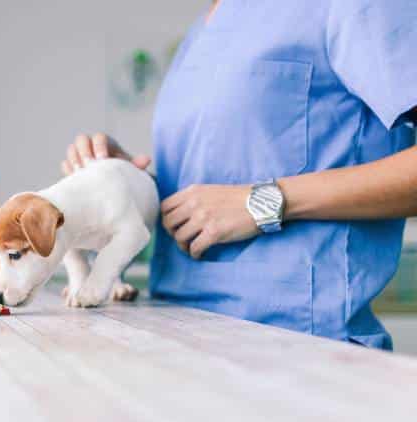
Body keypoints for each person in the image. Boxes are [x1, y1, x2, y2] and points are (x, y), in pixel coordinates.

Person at [61, 0, 417, 350]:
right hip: (174, 334)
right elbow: (210, 195)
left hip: (298, 352)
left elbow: (240, 200)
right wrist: (125, 182)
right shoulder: (205, 26)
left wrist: (267, 201)